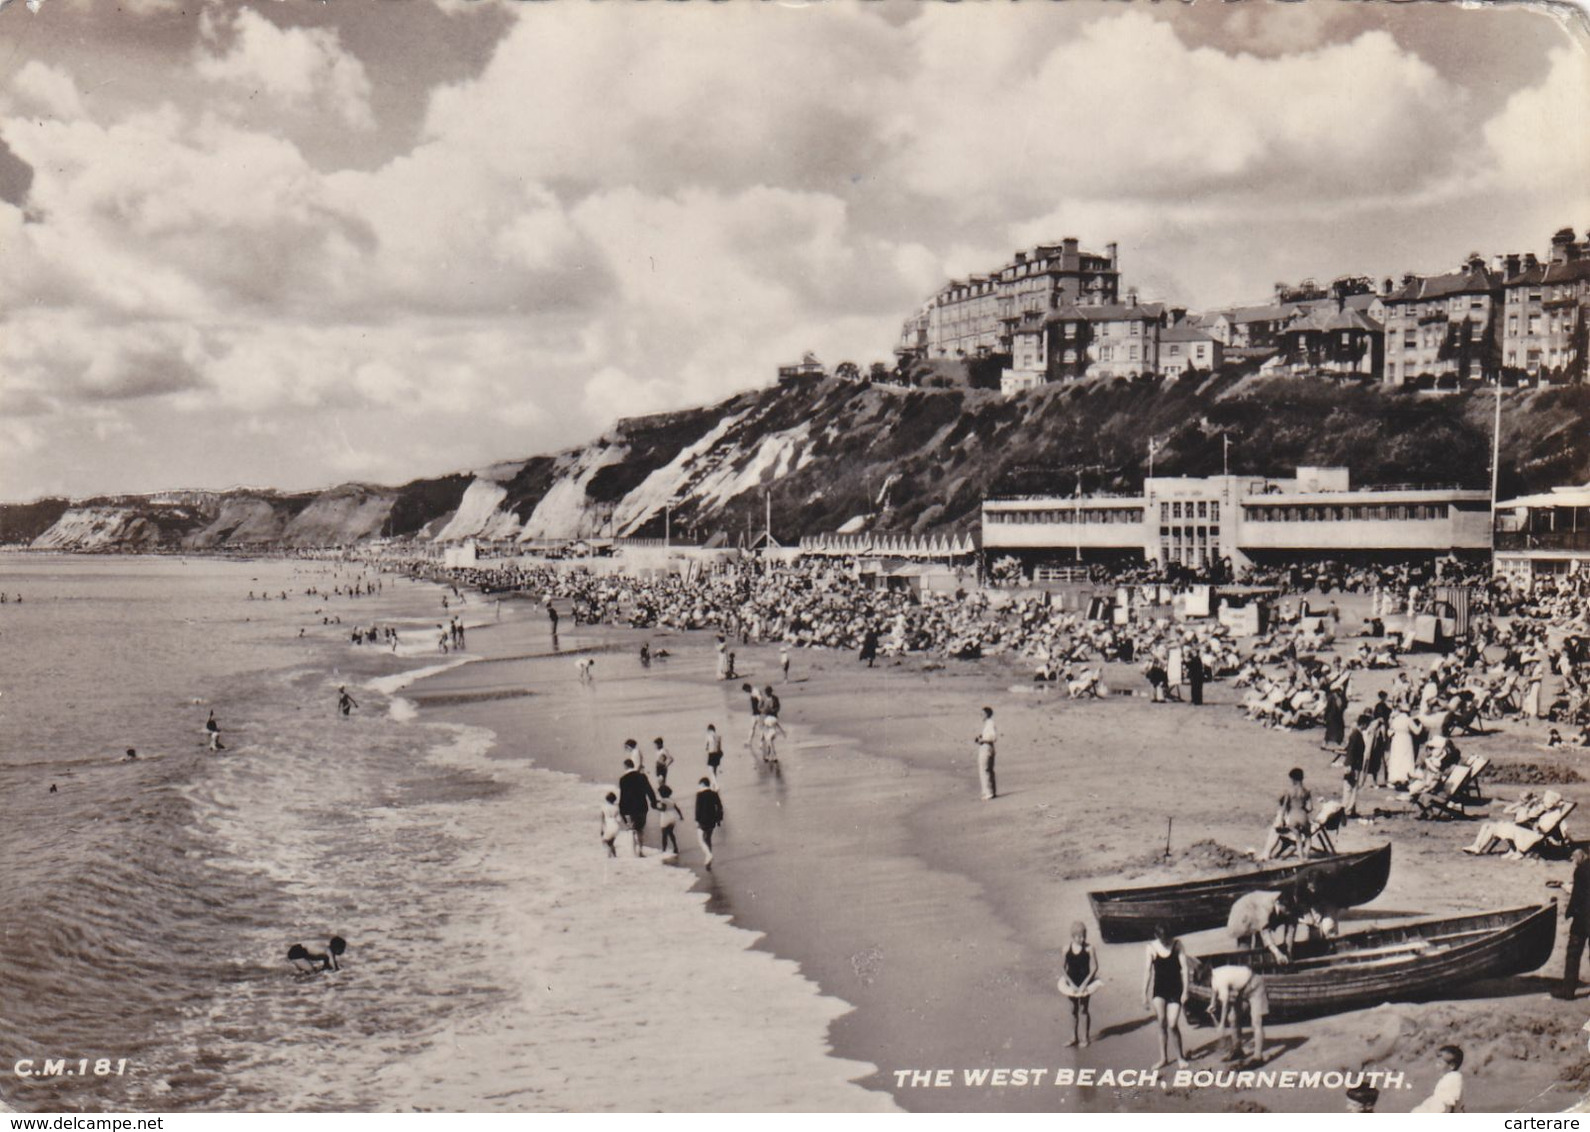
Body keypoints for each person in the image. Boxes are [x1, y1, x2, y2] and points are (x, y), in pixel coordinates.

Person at [1143, 925, 1191, 1072]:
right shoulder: (1151, 947)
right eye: (1163, 939)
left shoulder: (1177, 944)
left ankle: (1180, 1057)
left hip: (1175, 989)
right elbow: (1147, 971)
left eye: (1167, 938)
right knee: (1161, 1021)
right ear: (1157, 936)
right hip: (1160, 989)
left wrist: (1185, 991)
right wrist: (1143, 993)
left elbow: (1185, 969)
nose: (1165, 942)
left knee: (1172, 1023)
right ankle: (1163, 1058)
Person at [1210, 964, 1268, 1065]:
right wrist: (1212, 1003)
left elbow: (1225, 1004)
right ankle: (1238, 1050)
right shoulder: (1214, 974)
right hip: (1244, 990)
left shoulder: (1220, 979)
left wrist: (1222, 1024)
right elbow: (1214, 989)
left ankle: (1258, 1057)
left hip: (1255, 985)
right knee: (1233, 1018)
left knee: (1256, 1022)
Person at [1057, 921, 1100, 1048]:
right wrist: (1071, 984)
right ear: (1073, 936)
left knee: (1083, 1009)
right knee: (1073, 1010)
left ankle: (1085, 1037)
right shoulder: (1066, 949)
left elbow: (1094, 967)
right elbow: (1062, 968)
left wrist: (1084, 984)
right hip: (1071, 983)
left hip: (1085, 982)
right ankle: (1073, 1037)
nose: (1082, 939)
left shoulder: (1089, 948)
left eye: (1084, 936)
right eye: (1079, 936)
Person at [1555, 848, 1590, 999]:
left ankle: (1568, 991)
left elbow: (1577, 895)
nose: (1574, 859)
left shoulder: (1581, 870)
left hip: (1582, 918)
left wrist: (1569, 912)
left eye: (1575, 856)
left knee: (1573, 953)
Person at [1261, 768, 1312, 860]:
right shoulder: (1306, 791)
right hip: (1302, 815)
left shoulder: (1289, 791)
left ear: (1292, 779)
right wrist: (1304, 810)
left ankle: (1300, 858)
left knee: (1298, 837)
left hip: (1293, 817)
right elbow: (1310, 808)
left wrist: (1281, 818)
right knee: (1308, 836)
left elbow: (1284, 806)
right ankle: (1306, 855)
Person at [617, 758, 657, 857]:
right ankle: (640, 849)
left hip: (629, 808)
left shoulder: (623, 779)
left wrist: (621, 810)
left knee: (631, 830)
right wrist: (653, 802)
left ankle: (633, 852)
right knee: (640, 829)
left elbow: (623, 796)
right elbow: (649, 790)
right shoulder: (642, 777)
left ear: (625, 767)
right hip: (642, 807)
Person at [1411, 1045, 1464, 1113]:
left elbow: (1449, 1103)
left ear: (1451, 1066)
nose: (1436, 1066)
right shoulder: (1447, 1078)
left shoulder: (1453, 1079)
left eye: (1440, 1063)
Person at [1341, 713, 1369, 816]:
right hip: (1353, 765)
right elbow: (1351, 751)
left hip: (1353, 764)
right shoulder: (1356, 735)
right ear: (1364, 724)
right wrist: (1349, 765)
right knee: (1351, 788)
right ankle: (1347, 810)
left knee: (1350, 787)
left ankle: (1349, 809)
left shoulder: (1355, 734)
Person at [694, 777, 724, 870]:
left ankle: (708, 855)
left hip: (702, 820)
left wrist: (697, 820)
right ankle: (709, 862)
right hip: (712, 820)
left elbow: (698, 808)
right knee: (708, 839)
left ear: (702, 785)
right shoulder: (714, 794)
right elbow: (720, 807)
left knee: (700, 840)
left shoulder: (699, 794)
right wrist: (719, 819)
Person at [975, 706, 998, 801]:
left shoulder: (990, 723)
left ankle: (988, 793)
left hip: (986, 747)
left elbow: (993, 737)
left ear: (987, 714)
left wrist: (982, 740)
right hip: (988, 747)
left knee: (984, 770)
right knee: (988, 770)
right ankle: (991, 792)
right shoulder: (988, 724)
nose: (981, 716)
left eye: (982, 714)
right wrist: (981, 737)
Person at [656, 785, 683, 858]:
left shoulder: (663, 800)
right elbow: (677, 808)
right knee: (671, 833)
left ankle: (664, 850)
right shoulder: (671, 800)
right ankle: (675, 847)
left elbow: (663, 809)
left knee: (664, 835)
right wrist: (681, 816)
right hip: (672, 818)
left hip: (665, 818)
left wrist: (656, 808)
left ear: (661, 793)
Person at [599, 791, 621, 857]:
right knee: (611, 843)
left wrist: (601, 829)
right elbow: (619, 819)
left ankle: (609, 856)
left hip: (608, 824)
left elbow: (602, 819)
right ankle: (614, 856)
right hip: (615, 825)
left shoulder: (603, 807)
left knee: (605, 842)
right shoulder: (617, 807)